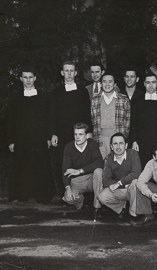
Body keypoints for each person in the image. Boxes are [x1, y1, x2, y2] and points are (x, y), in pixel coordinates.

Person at [7, 66, 52, 204]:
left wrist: (49, 137)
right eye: (25, 77)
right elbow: (10, 121)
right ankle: (22, 196)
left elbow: (49, 118)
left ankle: (42, 196)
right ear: (21, 79)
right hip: (21, 138)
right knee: (22, 166)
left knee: (41, 166)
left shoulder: (43, 97)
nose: (28, 80)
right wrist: (10, 141)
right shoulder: (15, 98)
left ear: (35, 78)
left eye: (30, 77)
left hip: (39, 138)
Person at [50, 60, 92, 198]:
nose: (69, 74)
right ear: (62, 73)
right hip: (62, 134)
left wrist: (89, 132)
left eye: (71, 71)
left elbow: (87, 113)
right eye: (66, 71)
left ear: (75, 73)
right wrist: (53, 134)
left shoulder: (82, 91)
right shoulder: (56, 92)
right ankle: (66, 194)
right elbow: (53, 114)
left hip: (80, 133)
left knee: (82, 161)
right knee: (63, 163)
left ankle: (83, 194)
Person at [130, 72, 157, 167]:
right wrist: (134, 141)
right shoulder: (137, 101)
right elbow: (133, 123)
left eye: (153, 82)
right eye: (148, 82)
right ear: (144, 83)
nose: (151, 85)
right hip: (142, 142)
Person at [98, 133, 141, 217]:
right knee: (102, 197)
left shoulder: (133, 154)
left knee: (135, 183)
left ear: (126, 145)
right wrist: (123, 185)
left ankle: (133, 214)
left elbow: (136, 173)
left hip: (132, 190)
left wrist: (119, 183)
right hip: (120, 189)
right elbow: (106, 181)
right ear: (111, 147)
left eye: (121, 143)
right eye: (115, 144)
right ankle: (120, 208)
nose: (118, 147)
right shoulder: (108, 158)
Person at [62, 123, 103, 211]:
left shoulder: (92, 144)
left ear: (87, 135)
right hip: (77, 181)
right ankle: (80, 202)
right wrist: (68, 188)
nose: (77, 137)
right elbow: (65, 171)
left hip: (91, 179)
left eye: (80, 134)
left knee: (99, 171)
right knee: (68, 198)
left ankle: (97, 207)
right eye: (75, 134)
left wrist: (80, 171)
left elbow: (99, 162)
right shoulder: (69, 147)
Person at [91, 72, 131, 159]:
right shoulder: (95, 100)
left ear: (115, 84)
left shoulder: (123, 99)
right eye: (104, 82)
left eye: (110, 82)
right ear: (101, 84)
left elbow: (127, 122)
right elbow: (93, 121)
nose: (107, 84)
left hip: (117, 139)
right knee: (103, 167)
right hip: (101, 140)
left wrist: (121, 139)